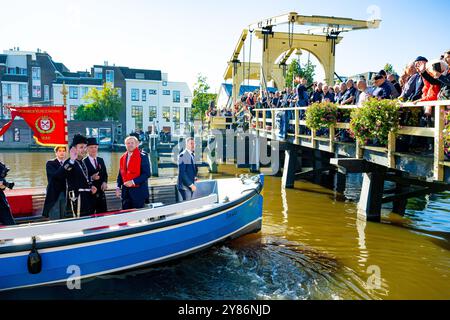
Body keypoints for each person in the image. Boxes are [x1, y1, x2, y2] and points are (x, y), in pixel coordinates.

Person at [65, 134, 98, 218]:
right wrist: (71, 160)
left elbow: (82, 179)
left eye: (85, 147)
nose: (84, 150)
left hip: (86, 196)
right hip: (77, 197)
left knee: (88, 219)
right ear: (74, 148)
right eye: (81, 147)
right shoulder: (70, 162)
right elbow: (65, 171)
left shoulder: (82, 162)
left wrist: (91, 185)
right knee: (79, 221)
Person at [116, 136, 151, 210]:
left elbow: (147, 174)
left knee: (139, 217)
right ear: (125, 145)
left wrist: (133, 182)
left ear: (137, 144)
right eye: (128, 143)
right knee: (126, 215)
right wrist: (118, 187)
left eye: (132, 143)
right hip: (125, 193)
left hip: (139, 193)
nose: (130, 145)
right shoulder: (122, 158)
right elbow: (120, 174)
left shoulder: (143, 156)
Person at [42, 146, 68, 220]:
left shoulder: (68, 163)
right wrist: (65, 167)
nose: (62, 152)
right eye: (59, 151)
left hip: (65, 192)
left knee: (64, 215)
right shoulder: (50, 163)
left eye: (63, 151)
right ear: (56, 153)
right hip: (54, 193)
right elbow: (55, 176)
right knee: (55, 215)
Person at [84, 138, 108, 214]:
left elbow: (105, 174)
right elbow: (81, 178)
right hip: (90, 195)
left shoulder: (101, 160)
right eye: (91, 147)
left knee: (103, 215)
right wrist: (91, 178)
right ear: (87, 149)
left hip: (101, 194)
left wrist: (104, 182)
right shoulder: (83, 162)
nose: (94, 149)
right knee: (90, 217)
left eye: (95, 147)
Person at [177, 137, 199, 201]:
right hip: (185, 186)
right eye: (191, 143)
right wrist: (191, 185)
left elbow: (193, 168)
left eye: (194, 144)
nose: (193, 145)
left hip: (190, 184)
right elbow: (182, 173)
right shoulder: (183, 155)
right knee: (187, 205)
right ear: (186, 145)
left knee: (191, 204)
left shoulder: (192, 155)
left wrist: (194, 176)